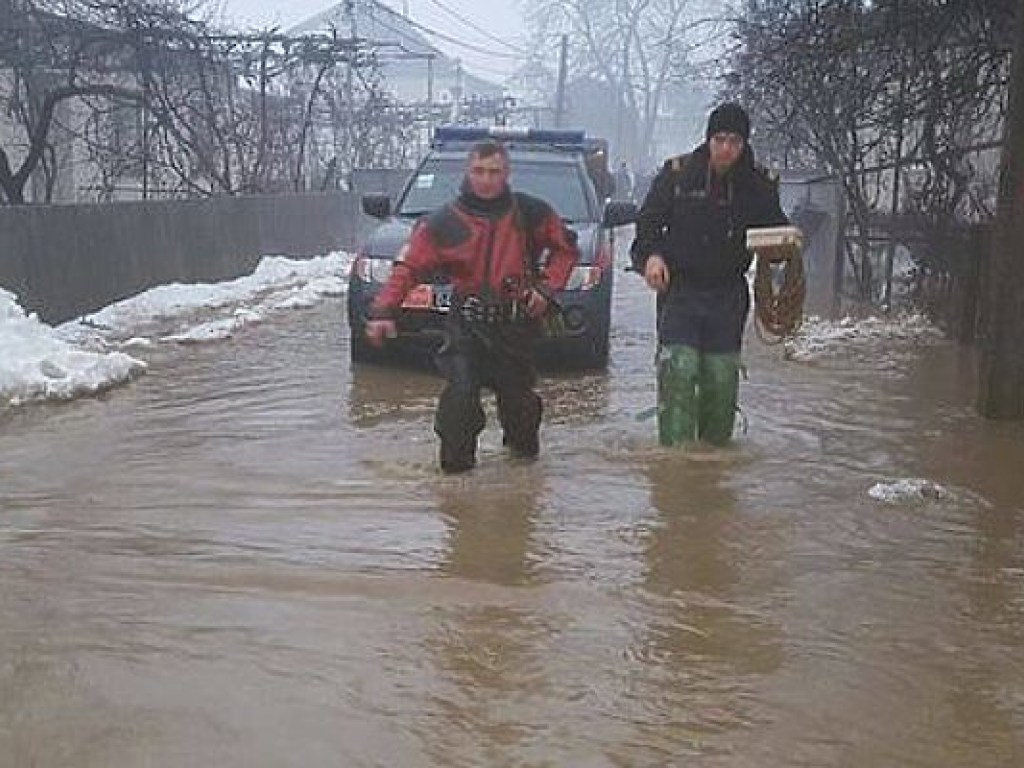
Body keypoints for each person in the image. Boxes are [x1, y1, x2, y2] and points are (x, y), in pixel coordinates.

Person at [364, 139, 580, 473]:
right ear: (469, 172)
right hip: (466, 326)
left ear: (506, 173)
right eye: (479, 171)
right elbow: (407, 268)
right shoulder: (444, 221)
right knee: (460, 401)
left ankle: (523, 484)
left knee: (520, 409)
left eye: (494, 172)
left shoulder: (531, 212)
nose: (486, 179)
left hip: (515, 326)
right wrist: (383, 311)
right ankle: (456, 490)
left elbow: (566, 249)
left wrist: (547, 289)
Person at [630, 102, 790, 447]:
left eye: (734, 141)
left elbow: (778, 233)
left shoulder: (759, 184)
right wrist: (652, 258)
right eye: (719, 139)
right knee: (680, 370)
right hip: (681, 291)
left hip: (727, 294)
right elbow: (647, 226)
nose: (726, 148)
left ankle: (712, 466)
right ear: (708, 139)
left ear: (744, 144)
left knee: (720, 379)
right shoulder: (678, 175)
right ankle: (675, 465)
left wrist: (782, 247)